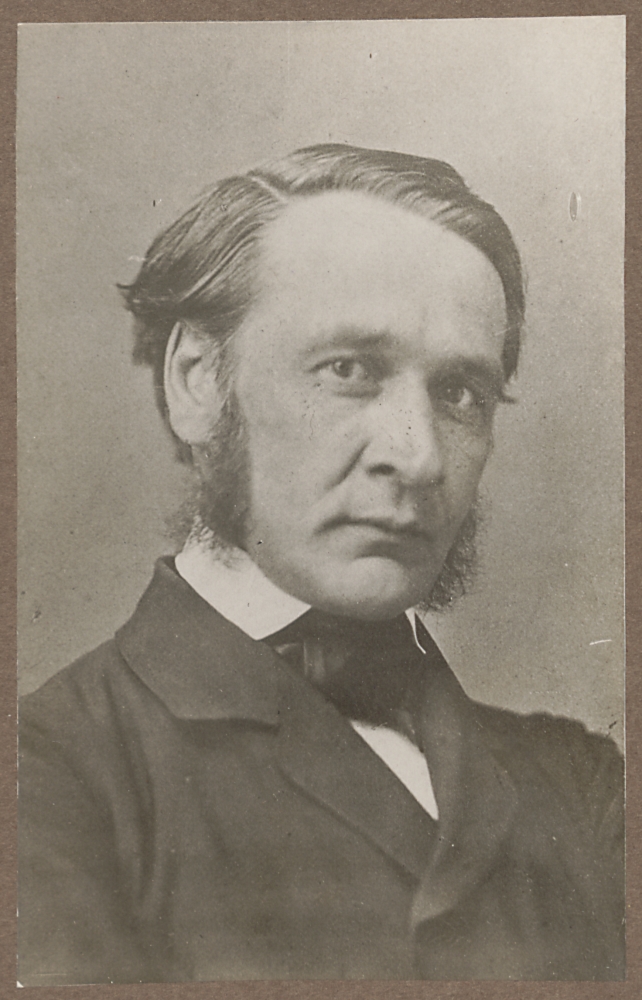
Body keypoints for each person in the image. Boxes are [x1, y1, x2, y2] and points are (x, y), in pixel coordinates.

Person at [18, 144, 624, 984]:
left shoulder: (582, 787)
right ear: (197, 381)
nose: (418, 457)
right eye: (349, 370)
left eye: (460, 394)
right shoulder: (52, 774)